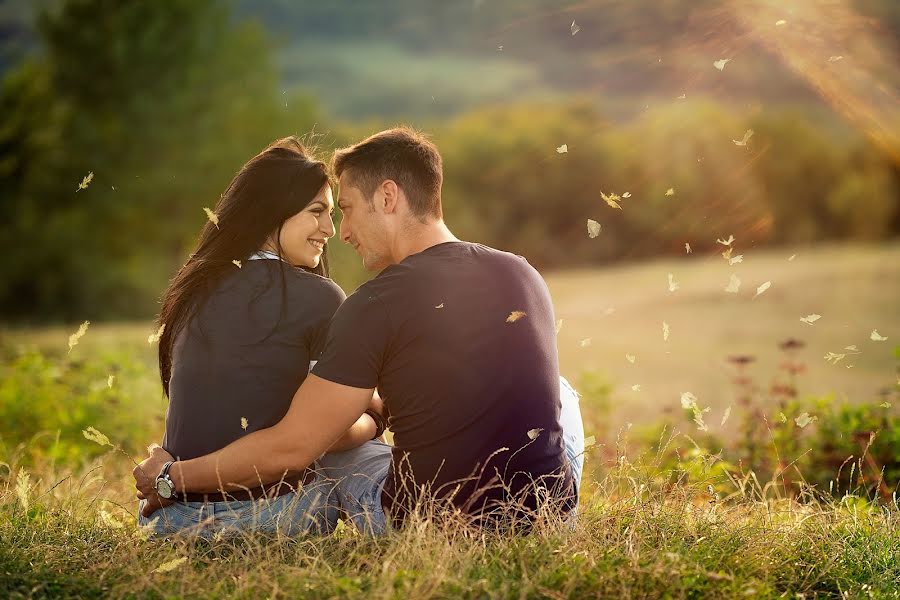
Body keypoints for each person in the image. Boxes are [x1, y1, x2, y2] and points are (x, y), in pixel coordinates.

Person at [135, 127, 585, 534]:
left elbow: (293, 447)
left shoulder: (374, 301)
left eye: (346, 210)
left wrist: (169, 478)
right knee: (562, 392)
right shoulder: (523, 272)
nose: (341, 231)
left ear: (388, 198)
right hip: (549, 514)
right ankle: (545, 509)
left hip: (428, 526)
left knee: (332, 447)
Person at [138, 138, 380, 537]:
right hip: (271, 518)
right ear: (273, 213)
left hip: (167, 519)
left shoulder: (193, 287)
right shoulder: (317, 296)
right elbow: (325, 436)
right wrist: (374, 417)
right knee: (357, 457)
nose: (330, 229)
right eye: (317, 212)